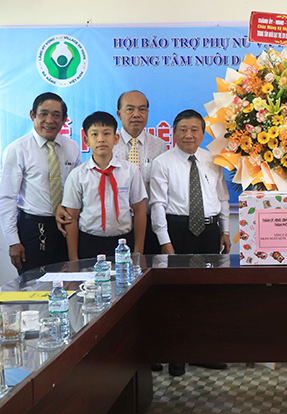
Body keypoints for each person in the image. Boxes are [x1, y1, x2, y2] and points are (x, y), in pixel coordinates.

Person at [150, 109, 231, 376]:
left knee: (207, 293)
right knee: (176, 294)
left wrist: (225, 231)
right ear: (173, 133)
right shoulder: (162, 162)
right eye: (183, 129)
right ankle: (176, 356)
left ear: (203, 133)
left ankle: (203, 351)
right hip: (178, 231)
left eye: (195, 129)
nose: (189, 135)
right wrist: (165, 240)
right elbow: (158, 205)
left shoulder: (212, 160)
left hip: (208, 232)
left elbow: (222, 199)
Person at [0, 93, 80, 273]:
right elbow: (6, 197)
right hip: (33, 231)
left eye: (56, 115)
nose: (49, 120)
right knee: (35, 290)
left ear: (64, 119)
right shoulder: (17, 149)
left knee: (69, 288)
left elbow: (77, 189)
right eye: (43, 114)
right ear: (32, 115)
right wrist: (13, 241)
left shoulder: (72, 147)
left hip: (66, 229)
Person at [62, 112, 147, 260]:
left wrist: (138, 251)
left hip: (123, 243)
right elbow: (72, 218)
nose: (101, 139)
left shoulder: (130, 171)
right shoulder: (77, 175)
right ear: (86, 140)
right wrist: (73, 258)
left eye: (106, 133)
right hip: (89, 242)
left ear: (116, 139)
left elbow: (140, 212)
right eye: (94, 134)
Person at [113, 90, 167, 254]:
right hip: (118, 222)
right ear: (119, 114)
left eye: (142, 109)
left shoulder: (159, 146)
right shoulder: (109, 144)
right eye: (130, 109)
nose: (136, 114)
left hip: (150, 222)